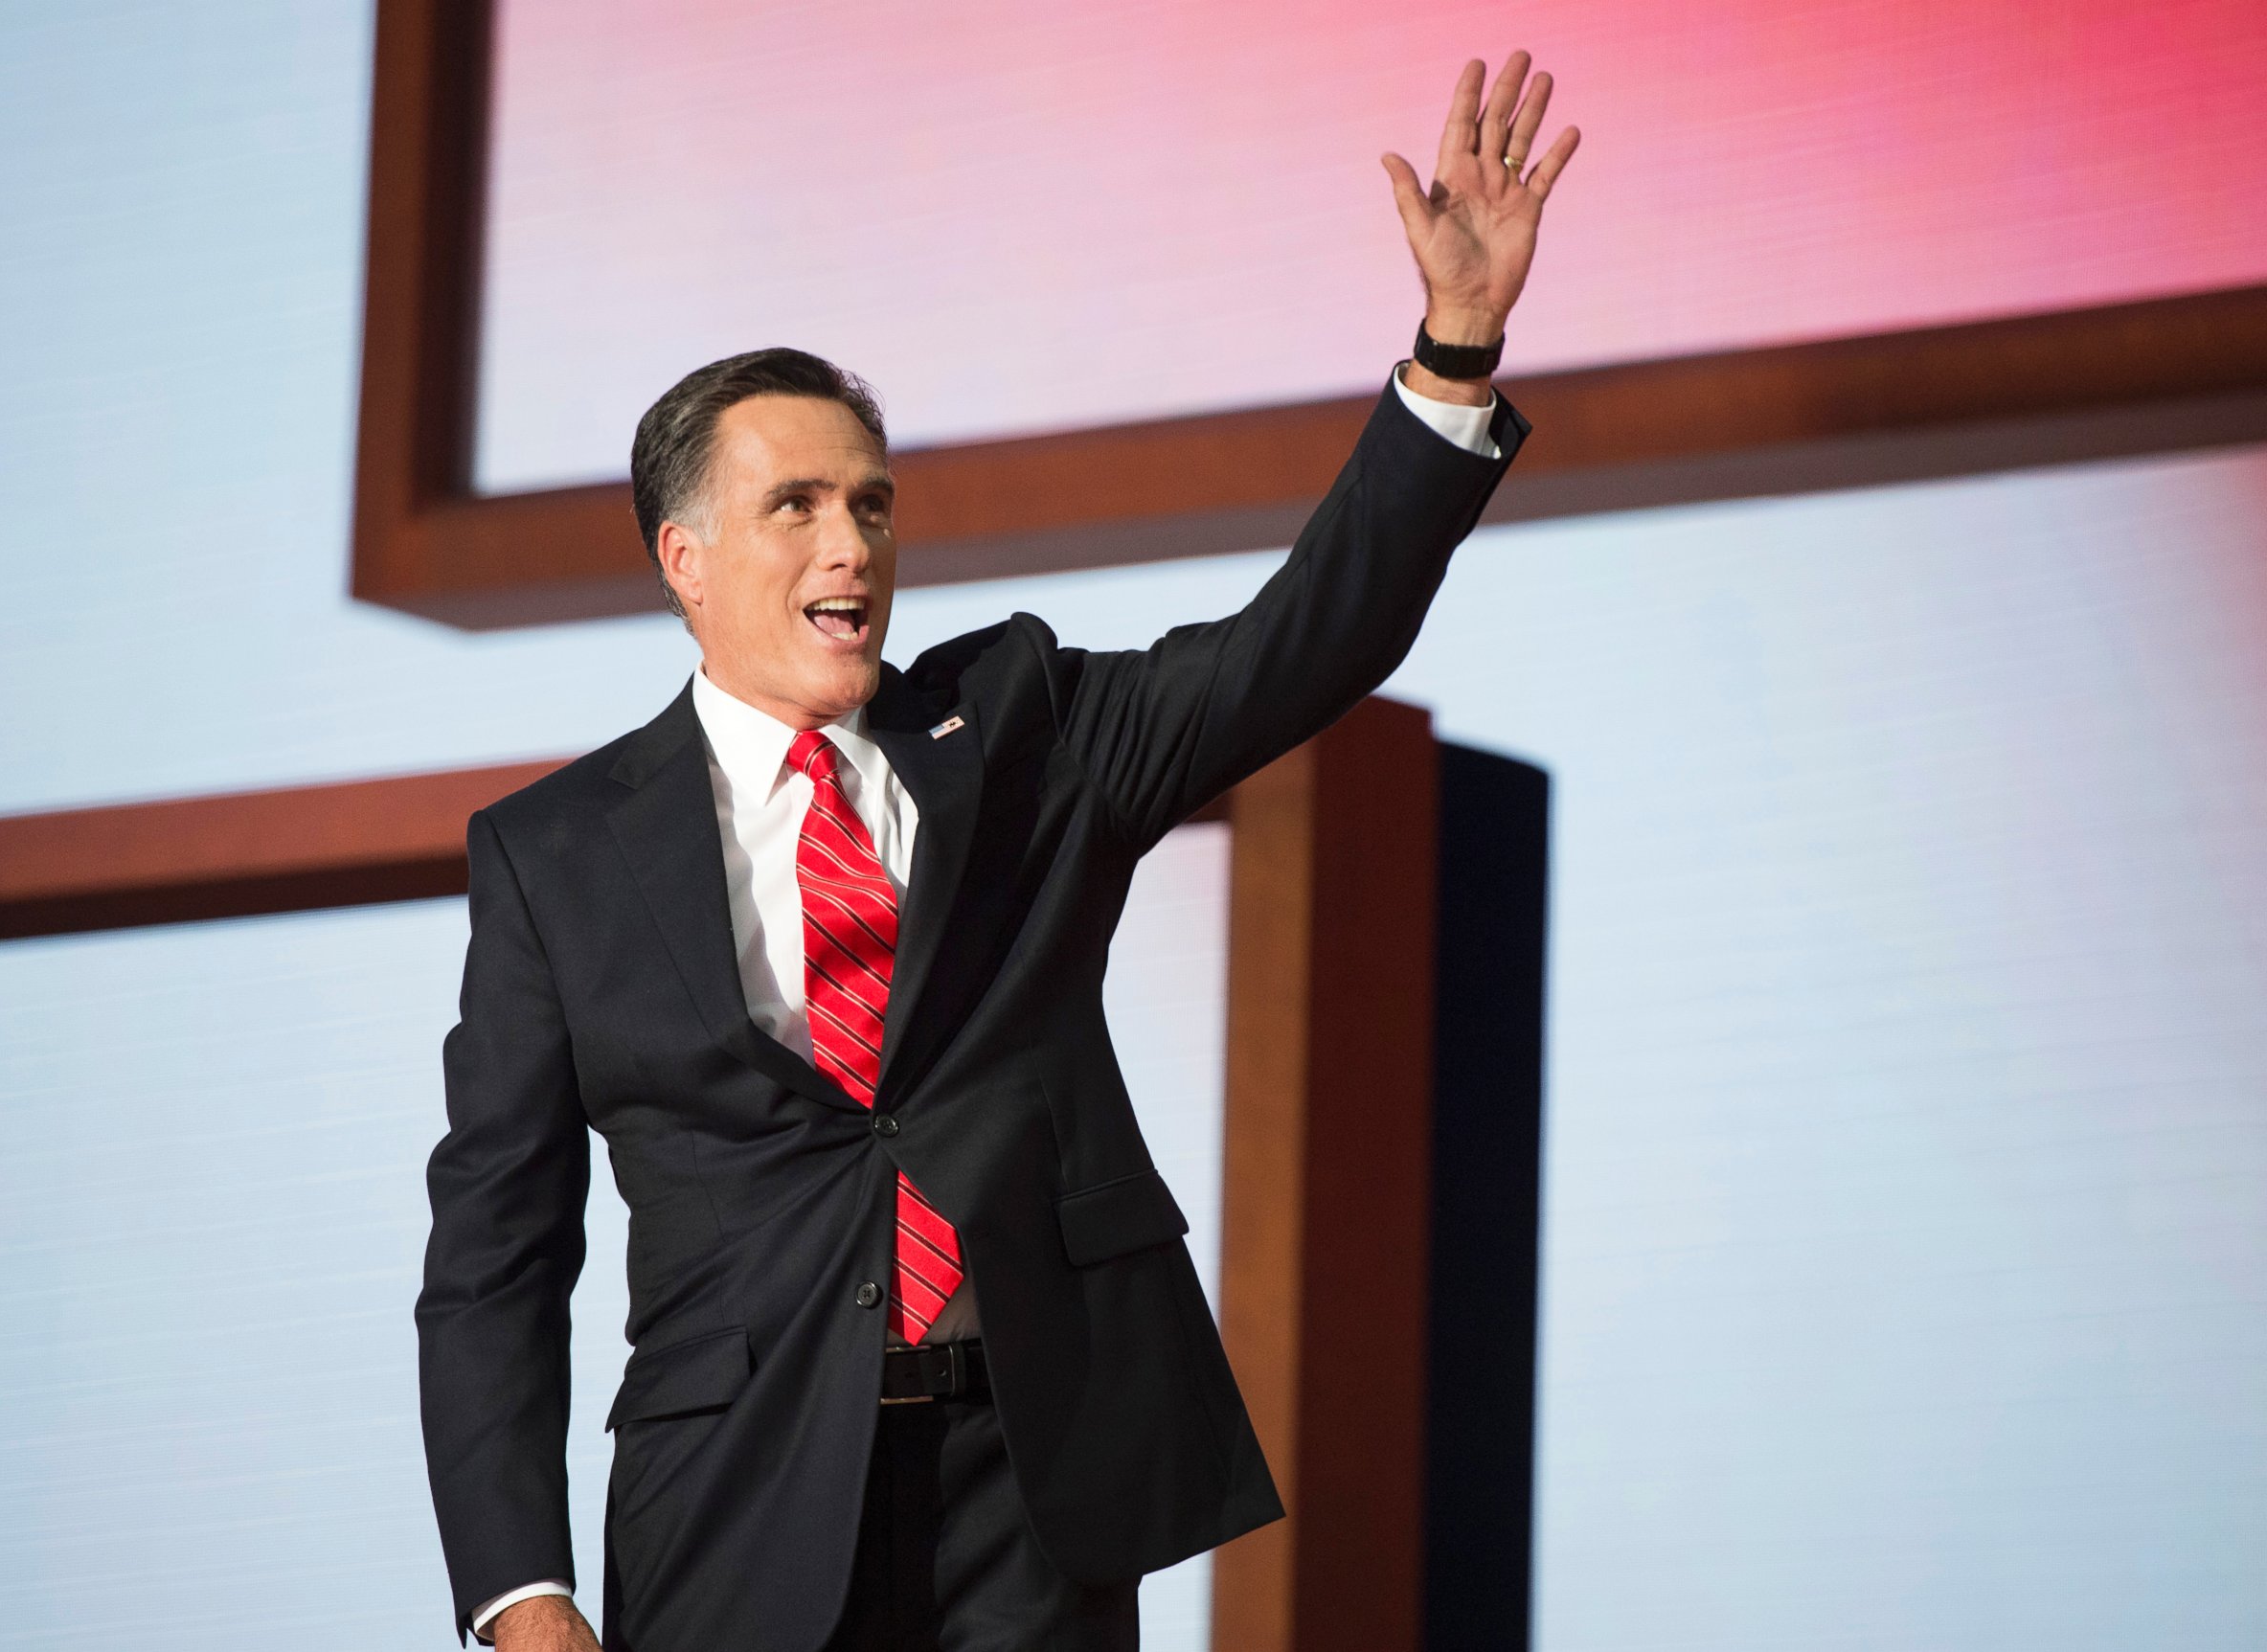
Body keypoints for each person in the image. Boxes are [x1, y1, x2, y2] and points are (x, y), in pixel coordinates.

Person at [418, 52, 1579, 1652]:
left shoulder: (1019, 726)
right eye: (800, 508)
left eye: (876, 507)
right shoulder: (556, 854)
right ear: (684, 559)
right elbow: (494, 1254)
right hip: (735, 1500)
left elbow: (1299, 645)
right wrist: (518, 1593)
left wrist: (1453, 358)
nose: (854, 548)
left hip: (1029, 1476)